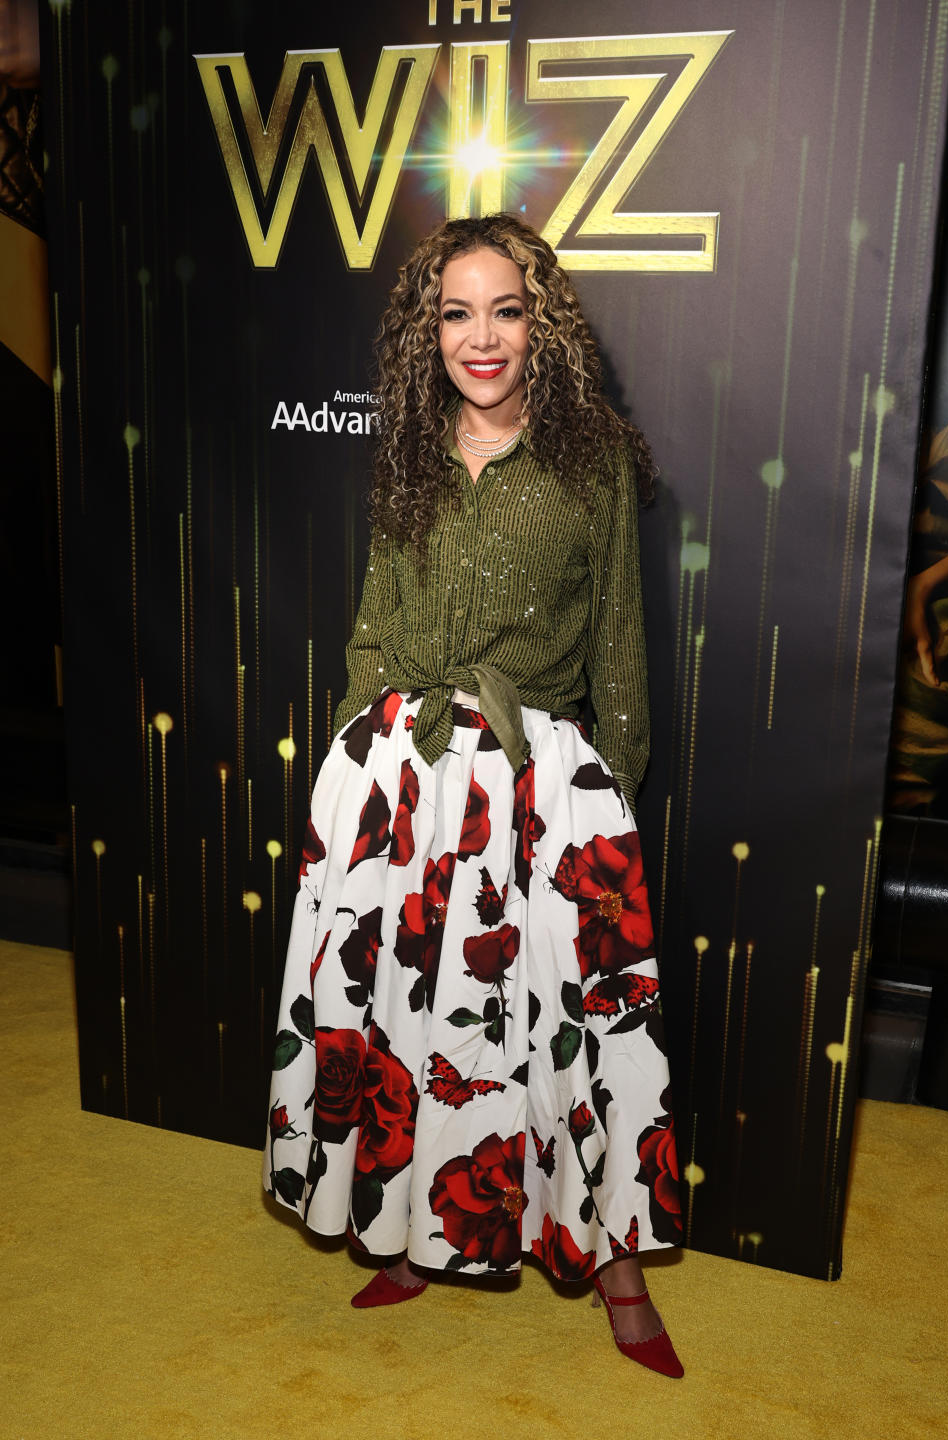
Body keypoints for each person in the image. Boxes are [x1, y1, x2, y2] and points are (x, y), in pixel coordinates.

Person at [263, 213, 683, 1378]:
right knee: (410, 1019)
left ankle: (619, 1264)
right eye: (456, 313)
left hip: (539, 780)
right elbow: (372, 625)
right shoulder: (405, 452)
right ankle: (407, 1230)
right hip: (406, 769)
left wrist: (612, 806)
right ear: (428, 330)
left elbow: (620, 652)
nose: (480, 337)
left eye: (505, 309)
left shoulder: (590, 459)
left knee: (570, 1035)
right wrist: (350, 770)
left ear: (540, 322)